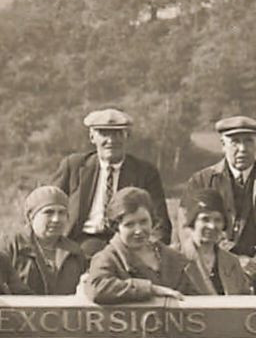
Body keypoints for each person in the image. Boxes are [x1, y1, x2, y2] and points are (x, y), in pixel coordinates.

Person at [184, 115, 256, 293]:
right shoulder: (201, 181)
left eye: (249, 141)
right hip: (211, 269)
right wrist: (233, 259)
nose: (242, 149)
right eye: (234, 142)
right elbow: (188, 227)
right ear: (223, 144)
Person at [52, 107, 171, 256]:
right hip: (81, 243)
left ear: (126, 136)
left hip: (128, 245)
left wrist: (150, 253)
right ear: (92, 137)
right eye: (104, 134)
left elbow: (160, 223)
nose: (111, 140)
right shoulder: (74, 166)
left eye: (117, 134)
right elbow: (48, 203)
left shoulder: (145, 172)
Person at [81, 187, 196, 304]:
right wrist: (151, 289)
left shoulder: (172, 257)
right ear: (116, 227)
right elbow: (97, 288)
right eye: (129, 224)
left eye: (143, 221)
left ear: (153, 220)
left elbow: (195, 298)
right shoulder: (108, 258)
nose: (138, 230)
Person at [0, 185, 88, 295]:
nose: (56, 219)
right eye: (49, 212)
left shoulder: (75, 252)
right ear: (30, 216)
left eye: (61, 213)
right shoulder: (12, 246)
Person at [177, 189, 255, 295]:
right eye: (205, 219)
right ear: (193, 221)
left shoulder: (232, 263)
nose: (212, 226)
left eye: (217, 220)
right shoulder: (175, 258)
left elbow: (245, 301)